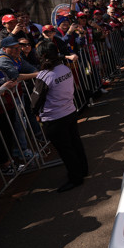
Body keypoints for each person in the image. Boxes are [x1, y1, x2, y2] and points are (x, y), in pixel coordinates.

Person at [35, 41, 88, 192]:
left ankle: (76, 178)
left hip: (55, 118)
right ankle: (83, 170)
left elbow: (35, 102)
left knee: (66, 149)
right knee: (75, 142)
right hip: (69, 112)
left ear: (43, 55)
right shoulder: (64, 68)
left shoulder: (45, 76)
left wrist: (35, 113)